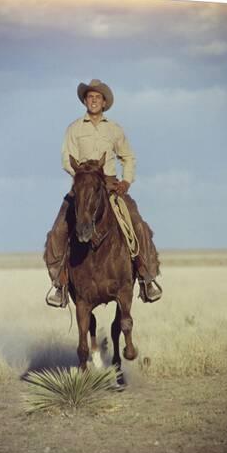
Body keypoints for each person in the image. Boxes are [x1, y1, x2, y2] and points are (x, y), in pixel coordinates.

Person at [44, 79, 162, 307]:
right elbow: (66, 158)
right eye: (90, 97)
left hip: (109, 185)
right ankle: (59, 284)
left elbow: (128, 157)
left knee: (138, 225)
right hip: (82, 185)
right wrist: (83, 176)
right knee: (58, 230)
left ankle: (147, 277)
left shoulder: (114, 129)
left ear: (104, 102)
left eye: (97, 97)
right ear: (85, 101)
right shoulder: (74, 128)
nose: (94, 100)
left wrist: (126, 182)